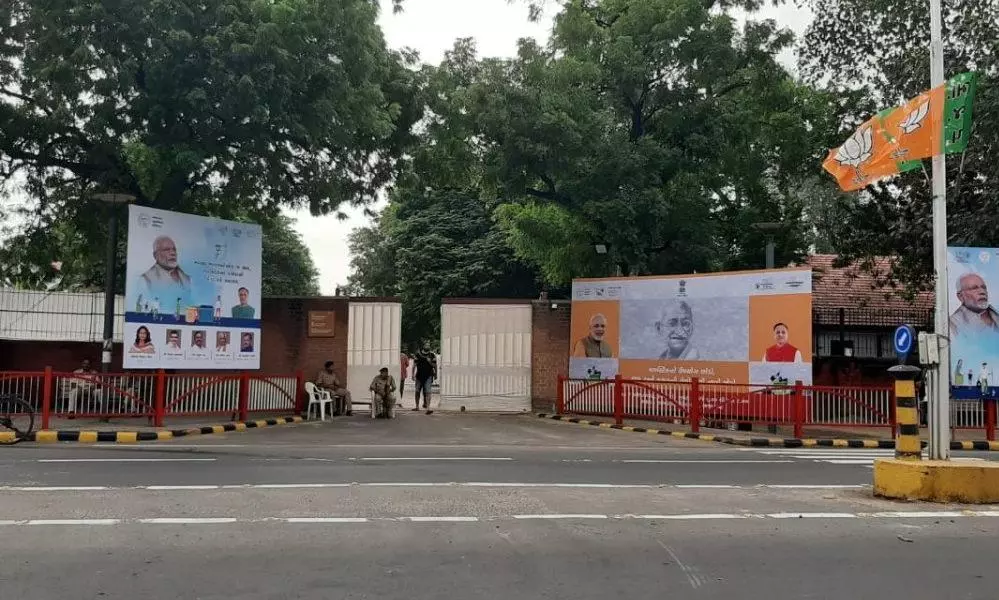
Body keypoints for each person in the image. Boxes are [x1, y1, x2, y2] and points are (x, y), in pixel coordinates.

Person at [138, 236, 192, 308]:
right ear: (155, 255)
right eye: (166, 250)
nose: (173, 253)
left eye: (174, 249)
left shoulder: (188, 278)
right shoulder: (146, 280)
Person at [950, 273, 999, 338]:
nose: (982, 291)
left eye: (984, 287)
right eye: (974, 288)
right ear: (961, 296)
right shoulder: (953, 324)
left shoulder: (995, 314)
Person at [412, 350, 436, 414]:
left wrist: (430, 362)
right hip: (419, 376)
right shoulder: (418, 354)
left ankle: (428, 408)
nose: (427, 345)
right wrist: (412, 374)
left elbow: (434, 365)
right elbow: (414, 364)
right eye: (426, 344)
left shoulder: (432, 355)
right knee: (417, 391)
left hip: (428, 376)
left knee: (428, 392)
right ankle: (417, 406)